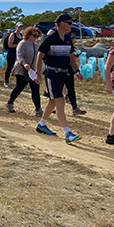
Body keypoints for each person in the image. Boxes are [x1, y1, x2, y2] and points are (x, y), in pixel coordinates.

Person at [34, 14, 82, 143]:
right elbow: (40, 55)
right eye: (69, 23)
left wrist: (77, 71)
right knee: (60, 101)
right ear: (60, 23)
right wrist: (37, 73)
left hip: (64, 74)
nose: (71, 25)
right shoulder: (51, 38)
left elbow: (71, 56)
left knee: (52, 101)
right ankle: (67, 132)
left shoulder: (67, 38)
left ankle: (41, 125)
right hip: (52, 74)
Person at [6, 27, 42, 115]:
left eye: (37, 36)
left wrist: (37, 70)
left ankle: (38, 109)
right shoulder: (22, 43)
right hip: (22, 69)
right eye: (34, 35)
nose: (35, 37)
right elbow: (19, 56)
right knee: (20, 86)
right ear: (28, 34)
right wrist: (24, 63)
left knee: (35, 88)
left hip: (32, 70)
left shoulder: (35, 45)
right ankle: (10, 102)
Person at [4, 22, 23, 88]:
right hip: (12, 53)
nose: (20, 28)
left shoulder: (21, 35)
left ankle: (21, 83)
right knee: (10, 67)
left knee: (20, 68)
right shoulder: (13, 35)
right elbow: (10, 45)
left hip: (18, 54)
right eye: (19, 26)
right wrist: (19, 45)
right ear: (16, 27)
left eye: (21, 27)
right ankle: (6, 81)